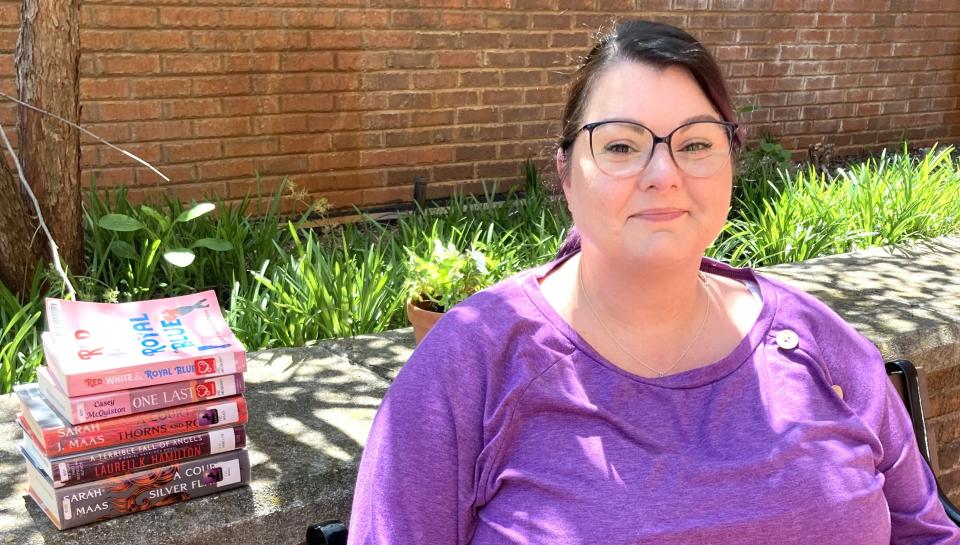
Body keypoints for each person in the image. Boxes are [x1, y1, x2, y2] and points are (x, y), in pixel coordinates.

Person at [347, 19, 960, 544]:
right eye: (620, 145)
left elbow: (927, 532)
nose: (663, 173)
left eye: (695, 142)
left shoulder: (817, 342)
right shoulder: (467, 370)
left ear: (729, 163)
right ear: (565, 174)